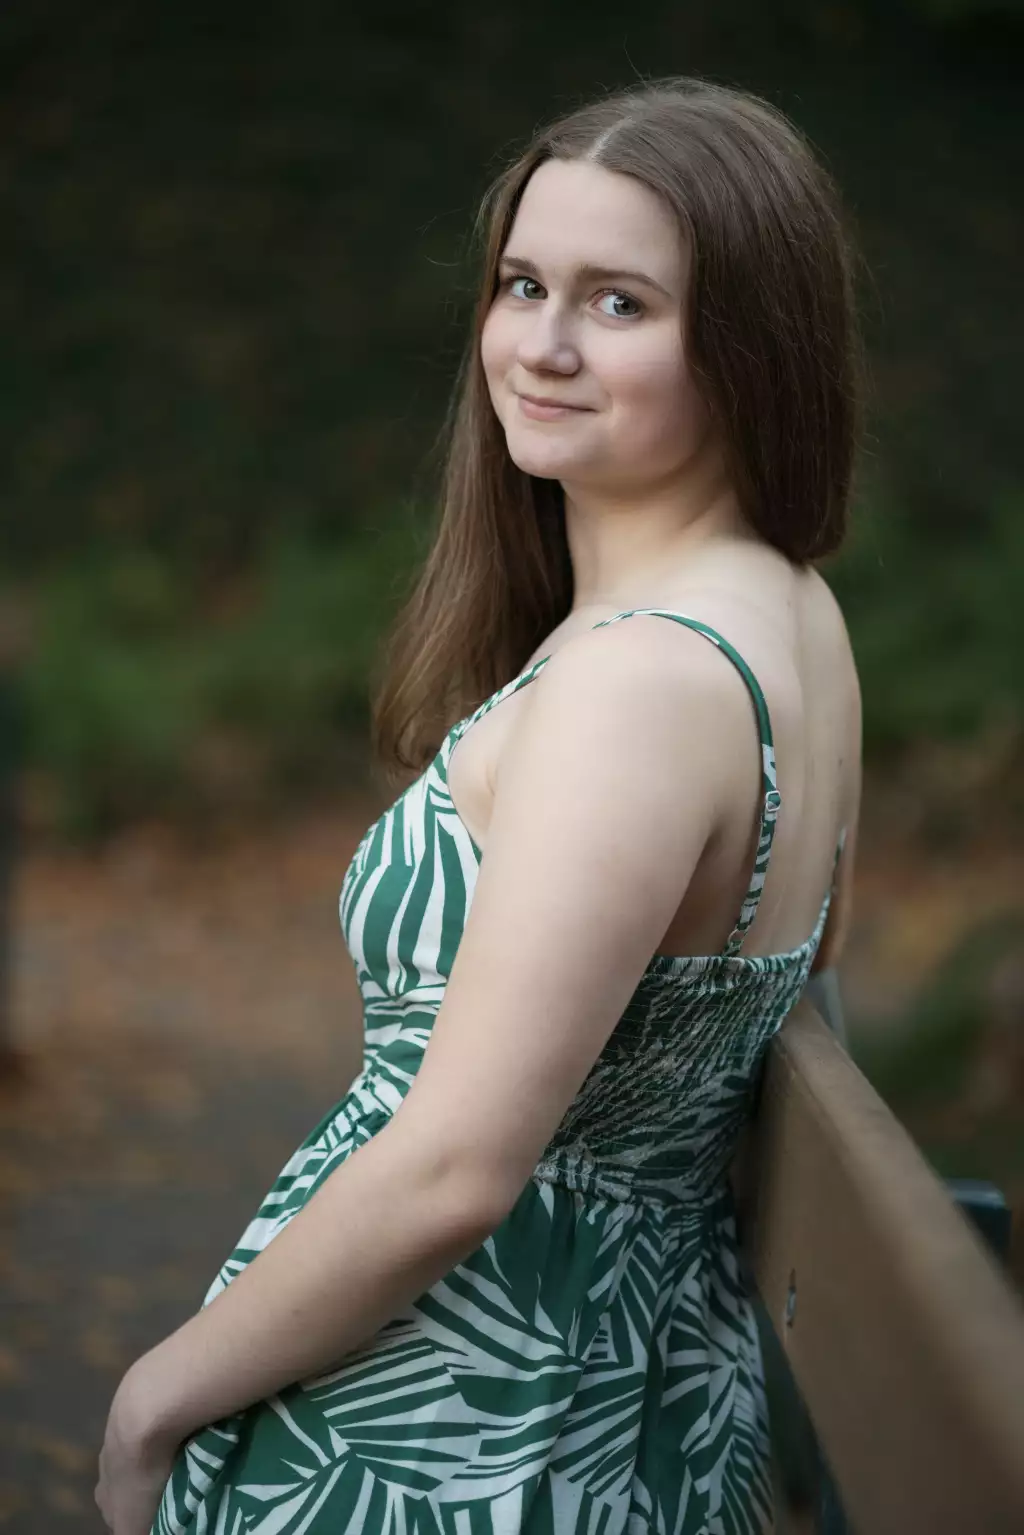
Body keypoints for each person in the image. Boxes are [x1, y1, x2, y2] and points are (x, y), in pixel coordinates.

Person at [97, 75, 863, 1535]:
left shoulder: (642, 683)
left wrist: (157, 1398)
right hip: (622, 1389)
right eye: (524, 284)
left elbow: (457, 1168)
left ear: (754, 345)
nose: (544, 345)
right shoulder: (791, 609)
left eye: (621, 303)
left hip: (450, 1422)